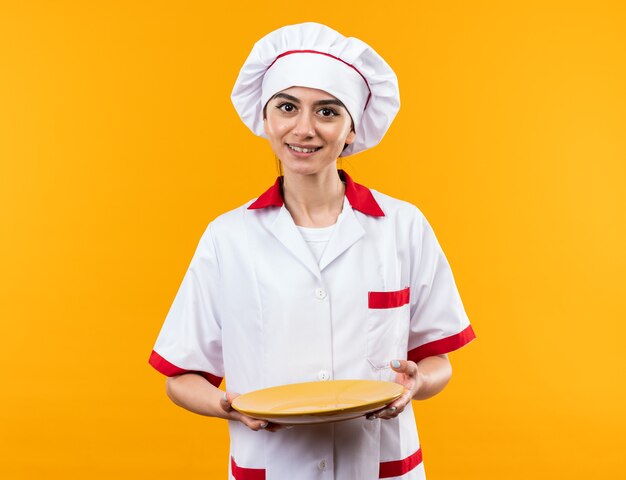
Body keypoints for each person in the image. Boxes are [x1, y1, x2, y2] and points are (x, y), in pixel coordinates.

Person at [149, 22, 475, 479]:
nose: (304, 129)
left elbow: (438, 360)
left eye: (327, 112)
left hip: (382, 467)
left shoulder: (403, 226)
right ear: (265, 119)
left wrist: (418, 382)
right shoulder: (228, 237)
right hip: (273, 465)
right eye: (287, 107)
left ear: (351, 130)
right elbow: (180, 378)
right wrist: (230, 406)